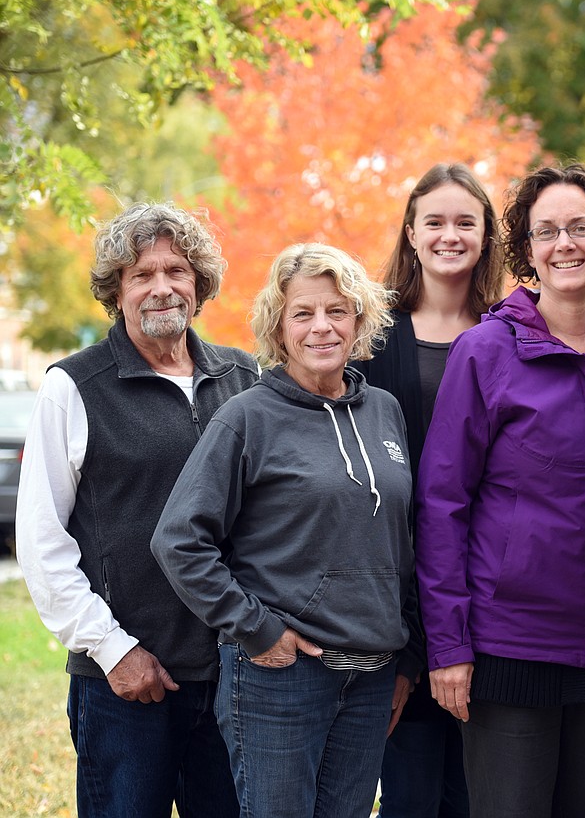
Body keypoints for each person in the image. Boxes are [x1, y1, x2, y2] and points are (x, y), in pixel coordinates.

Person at [150, 243, 422, 818]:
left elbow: (405, 541)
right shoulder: (247, 417)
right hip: (283, 677)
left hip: (373, 677)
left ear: (360, 321)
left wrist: (407, 654)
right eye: (302, 313)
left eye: (337, 311)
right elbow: (178, 540)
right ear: (278, 327)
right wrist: (257, 628)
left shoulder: (385, 412)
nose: (321, 327)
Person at [15, 202, 257, 817]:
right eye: (140, 275)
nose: (161, 287)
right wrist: (111, 648)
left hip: (235, 676)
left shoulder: (244, 377)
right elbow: (41, 541)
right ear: (115, 292)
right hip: (126, 684)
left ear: (198, 284)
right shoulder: (74, 386)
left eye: (176, 270)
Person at [415, 163, 585, 818]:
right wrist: (449, 647)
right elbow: (441, 506)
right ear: (527, 247)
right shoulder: (485, 351)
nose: (564, 243)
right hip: (509, 645)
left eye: (581, 228)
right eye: (547, 231)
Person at [353, 163, 504, 818]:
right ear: (411, 232)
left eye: (465, 222)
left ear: (486, 235)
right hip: (396, 600)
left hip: (494, 599)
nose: (449, 234)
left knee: (478, 795)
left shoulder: (513, 331)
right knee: (411, 796)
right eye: (434, 221)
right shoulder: (366, 336)